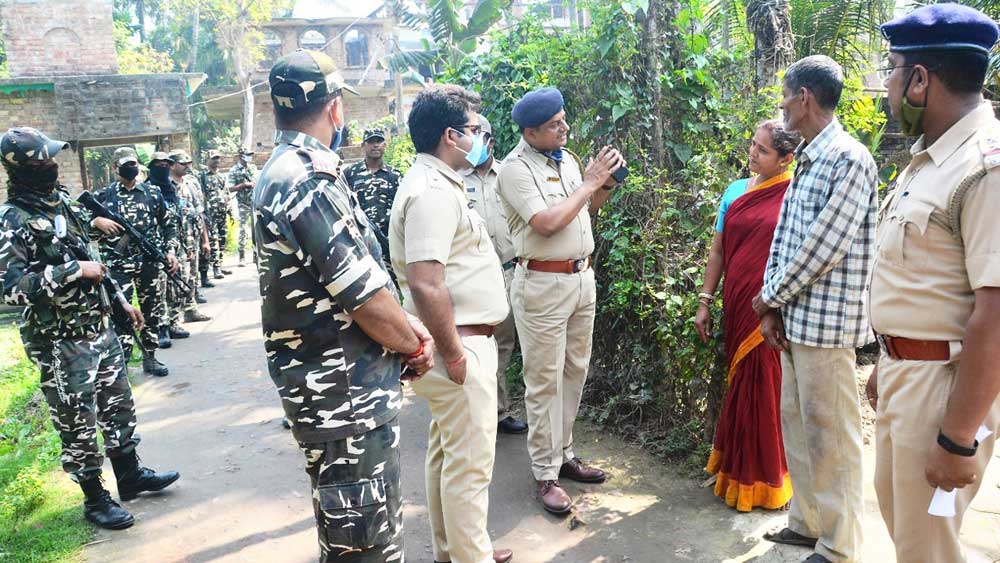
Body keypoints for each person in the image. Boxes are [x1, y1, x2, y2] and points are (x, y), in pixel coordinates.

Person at [256, 49, 435, 563]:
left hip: (336, 392)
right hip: (343, 396)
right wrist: (414, 343)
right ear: (335, 109)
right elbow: (362, 296)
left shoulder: (285, 169)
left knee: (349, 539)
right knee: (366, 548)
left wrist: (406, 330)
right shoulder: (307, 178)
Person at [868, 6, 1000, 562]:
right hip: (907, 376)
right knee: (909, 532)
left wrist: (956, 437)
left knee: (929, 550)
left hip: (941, 392)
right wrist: (888, 357)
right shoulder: (929, 161)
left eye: (892, 71)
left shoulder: (985, 168)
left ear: (920, 79)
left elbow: (995, 315)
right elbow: (925, 284)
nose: (888, 88)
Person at [0, 127, 179, 530]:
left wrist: (120, 300)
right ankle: (95, 499)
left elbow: (92, 257)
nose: (52, 165)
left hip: (99, 327)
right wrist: (71, 271)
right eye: (43, 161)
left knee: (118, 406)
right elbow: (9, 289)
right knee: (77, 419)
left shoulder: (62, 203)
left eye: (52, 158)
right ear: (21, 168)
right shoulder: (13, 219)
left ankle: (130, 476)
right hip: (61, 340)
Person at [752, 56, 878, 563]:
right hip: (794, 321)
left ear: (804, 97)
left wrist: (769, 296)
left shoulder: (849, 159)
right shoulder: (809, 155)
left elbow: (822, 249)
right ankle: (806, 524)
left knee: (834, 441)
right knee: (800, 430)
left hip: (827, 327)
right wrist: (772, 308)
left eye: (785, 96)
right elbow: (785, 239)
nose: (781, 106)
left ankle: (840, 544)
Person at [389, 85, 513, 563]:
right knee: (469, 466)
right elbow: (426, 283)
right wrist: (456, 353)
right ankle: (469, 557)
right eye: (474, 130)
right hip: (457, 344)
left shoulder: (440, 184)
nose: (481, 137)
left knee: (448, 455)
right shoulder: (431, 192)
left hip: (456, 341)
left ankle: (459, 550)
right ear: (450, 136)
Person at [498, 87, 624, 515]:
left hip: (580, 279)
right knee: (543, 379)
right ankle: (544, 473)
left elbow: (585, 211)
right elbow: (548, 223)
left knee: (574, 371)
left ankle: (564, 453)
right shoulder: (513, 170)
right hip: (541, 284)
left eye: (564, 119)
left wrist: (602, 185)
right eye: (555, 125)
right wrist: (588, 183)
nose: (565, 128)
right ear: (530, 132)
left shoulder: (567, 160)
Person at [695, 120, 800, 512]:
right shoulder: (735, 191)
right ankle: (735, 475)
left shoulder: (795, 193)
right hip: (736, 303)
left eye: (763, 150)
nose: (753, 153)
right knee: (739, 386)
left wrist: (777, 303)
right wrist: (705, 300)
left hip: (772, 307)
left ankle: (770, 481)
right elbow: (719, 251)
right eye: (753, 145)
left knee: (766, 390)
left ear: (787, 158)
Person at [462, 113, 528, 435]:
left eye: (479, 137)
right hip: (474, 276)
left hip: (513, 271)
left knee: (505, 345)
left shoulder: (509, 175)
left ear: (490, 140)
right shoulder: (457, 180)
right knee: (478, 344)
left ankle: (499, 412)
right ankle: (478, 410)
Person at [93, 146, 179, 377]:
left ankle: (150, 358)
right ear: (114, 167)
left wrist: (170, 251)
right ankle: (122, 364)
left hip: (149, 264)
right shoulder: (103, 196)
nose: (130, 169)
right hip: (118, 266)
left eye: (133, 164)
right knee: (122, 314)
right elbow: (81, 231)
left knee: (152, 311)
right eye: (125, 165)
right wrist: (95, 223)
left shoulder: (152, 193)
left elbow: (169, 224)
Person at [147, 152, 192, 344]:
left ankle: (174, 321)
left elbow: (178, 219)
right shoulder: (147, 190)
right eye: (159, 164)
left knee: (177, 283)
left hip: (176, 244)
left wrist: (185, 244)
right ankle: (162, 326)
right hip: (157, 247)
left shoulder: (171, 189)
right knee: (161, 287)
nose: (163, 167)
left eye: (166, 164)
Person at [342, 127, 401, 266]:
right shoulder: (350, 173)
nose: (375, 145)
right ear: (363, 145)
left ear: (385, 145)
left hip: (389, 244)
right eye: (371, 141)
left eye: (379, 141)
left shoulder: (394, 175)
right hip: (360, 244)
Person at [200, 149, 232, 279]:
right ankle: (215, 268)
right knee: (214, 241)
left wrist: (230, 211)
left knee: (222, 239)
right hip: (210, 214)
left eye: (218, 158)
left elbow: (226, 192)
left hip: (222, 212)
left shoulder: (221, 176)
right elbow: (200, 195)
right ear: (207, 160)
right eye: (214, 158)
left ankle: (220, 265)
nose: (217, 161)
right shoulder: (202, 176)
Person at [227, 147, 257, 266]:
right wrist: (243, 185)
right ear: (241, 156)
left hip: (255, 202)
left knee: (256, 229)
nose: (249, 157)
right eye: (247, 155)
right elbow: (230, 188)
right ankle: (242, 256)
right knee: (243, 229)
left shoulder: (253, 168)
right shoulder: (234, 170)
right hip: (243, 203)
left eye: (250, 154)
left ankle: (256, 254)